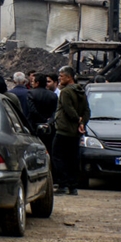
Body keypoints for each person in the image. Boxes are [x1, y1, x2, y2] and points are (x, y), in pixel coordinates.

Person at [52, 66, 90, 196]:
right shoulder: (81, 91)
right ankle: (73, 186)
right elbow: (86, 110)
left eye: (61, 76)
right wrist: (83, 122)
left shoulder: (66, 92)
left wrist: (79, 121)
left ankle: (63, 184)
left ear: (69, 77)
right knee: (73, 158)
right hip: (75, 132)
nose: (59, 78)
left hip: (64, 130)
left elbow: (68, 110)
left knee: (57, 157)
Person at [27, 73, 58, 151]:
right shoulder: (53, 95)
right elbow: (55, 111)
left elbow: (32, 110)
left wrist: (42, 119)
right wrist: (48, 121)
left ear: (37, 83)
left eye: (33, 81)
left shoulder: (31, 93)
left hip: (34, 126)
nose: (32, 83)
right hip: (49, 128)